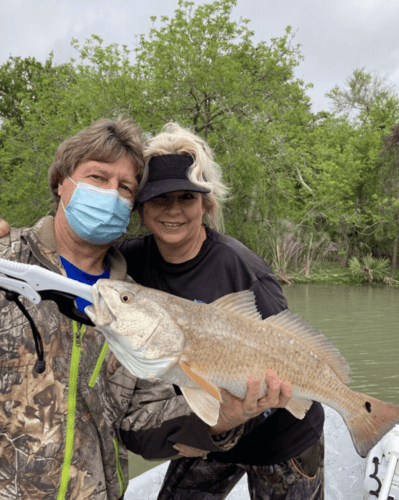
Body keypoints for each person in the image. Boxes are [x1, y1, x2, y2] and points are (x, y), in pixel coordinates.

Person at [0, 118, 291, 499]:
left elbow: (142, 424)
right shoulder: (6, 259)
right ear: (61, 181)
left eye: (125, 187)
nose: (110, 194)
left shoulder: (138, 300)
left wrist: (227, 418)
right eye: (97, 178)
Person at [115, 123, 325, 500]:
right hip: (206, 427)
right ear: (141, 208)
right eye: (160, 199)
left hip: (282, 436)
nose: (173, 211)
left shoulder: (244, 270)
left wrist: (248, 406)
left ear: (206, 204)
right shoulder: (129, 263)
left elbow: (292, 348)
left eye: (187, 198)